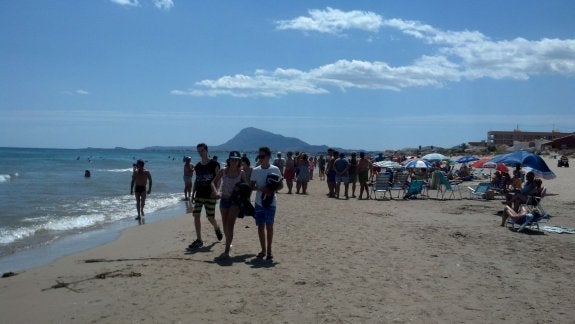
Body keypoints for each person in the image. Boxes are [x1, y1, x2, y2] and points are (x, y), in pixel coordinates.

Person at [188, 143, 223, 250]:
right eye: (198, 151)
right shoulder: (197, 166)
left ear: (206, 150)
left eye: (202, 151)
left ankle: (216, 227)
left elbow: (219, 179)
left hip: (210, 195)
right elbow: (197, 180)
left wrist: (216, 191)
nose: (200, 153)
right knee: (196, 215)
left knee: (210, 218)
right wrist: (193, 193)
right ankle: (199, 240)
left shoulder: (214, 164)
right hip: (199, 194)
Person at [250, 146, 283, 261]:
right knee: (260, 226)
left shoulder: (275, 169)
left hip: (271, 202)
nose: (260, 158)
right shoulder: (256, 170)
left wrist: (272, 190)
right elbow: (251, 186)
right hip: (259, 202)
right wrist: (262, 189)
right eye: (259, 156)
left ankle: (269, 250)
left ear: (268, 157)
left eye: (262, 156)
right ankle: (263, 250)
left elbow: (281, 185)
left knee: (269, 226)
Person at [211, 151, 246, 258]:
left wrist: (240, 190)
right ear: (229, 160)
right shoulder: (223, 171)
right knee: (225, 225)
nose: (234, 161)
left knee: (230, 225)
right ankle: (228, 243)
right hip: (224, 200)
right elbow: (213, 182)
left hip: (235, 202)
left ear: (239, 161)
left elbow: (246, 187)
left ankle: (226, 250)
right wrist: (216, 192)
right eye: (232, 159)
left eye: (236, 160)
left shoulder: (241, 173)